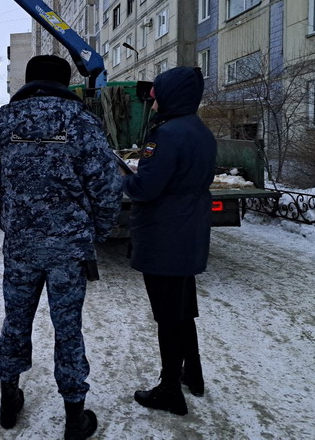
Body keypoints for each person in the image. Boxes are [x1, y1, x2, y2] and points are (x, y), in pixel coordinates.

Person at [0, 54, 122, 439]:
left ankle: (9, 402)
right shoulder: (81, 122)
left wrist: (8, 223)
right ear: (64, 81)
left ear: (28, 80)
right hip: (69, 250)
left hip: (22, 247)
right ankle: (75, 418)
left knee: (16, 322)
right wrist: (96, 231)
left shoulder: (5, 123)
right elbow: (107, 188)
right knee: (68, 329)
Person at [122, 66, 216, 416]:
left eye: (157, 93)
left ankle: (169, 390)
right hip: (188, 232)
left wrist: (124, 181)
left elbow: (146, 187)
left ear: (170, 95)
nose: (153, 99)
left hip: (165, 237)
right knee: (182, 310)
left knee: (168, 316)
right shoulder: (199, 130)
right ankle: (193, 374)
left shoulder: (167, 135)